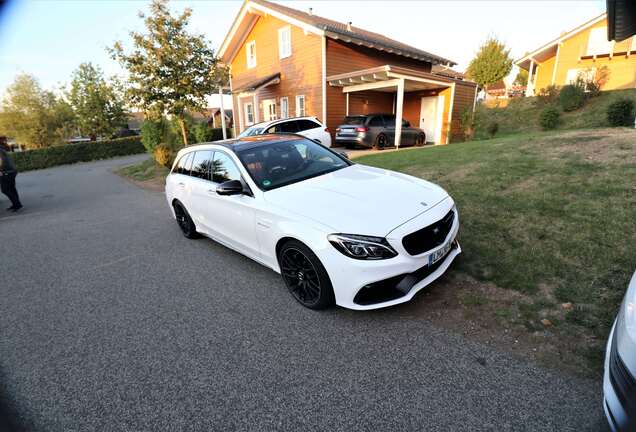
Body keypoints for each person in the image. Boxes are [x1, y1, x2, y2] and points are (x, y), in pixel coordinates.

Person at [0, 141, 22, 212]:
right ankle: (15, 204)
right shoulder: (2, 149)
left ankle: (17, 204)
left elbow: (1, 162)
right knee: (11, 188)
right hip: (12, 171)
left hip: (6, 172)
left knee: (5, 190)